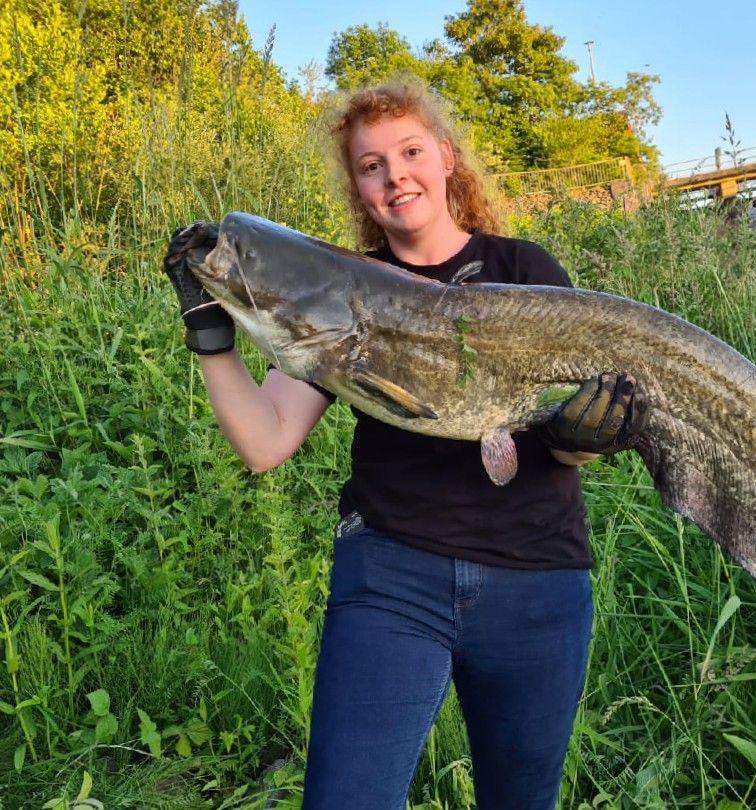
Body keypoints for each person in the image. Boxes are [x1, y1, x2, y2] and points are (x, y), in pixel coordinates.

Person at [161, 75, 648, 809]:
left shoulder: (527, 271)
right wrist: (210, 336)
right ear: (359, 190)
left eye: (410, 151)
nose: (395, 175)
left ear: (447, 159)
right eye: (371, 165)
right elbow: (265, 441)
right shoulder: (341, 294)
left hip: (536, 579)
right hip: (391, 576)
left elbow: (572, 447)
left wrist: (586, 437)